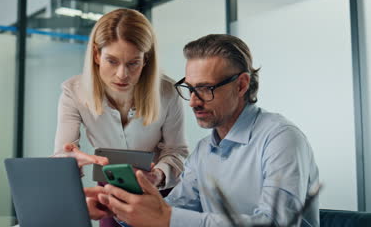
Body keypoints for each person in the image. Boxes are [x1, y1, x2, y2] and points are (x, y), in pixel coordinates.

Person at [86, 34, 320, 227]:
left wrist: (168, 219)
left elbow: (276, 224)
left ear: (241, 85)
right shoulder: (204, 150)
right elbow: (170, 211)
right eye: (190, 88)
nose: (193, 102)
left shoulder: (281, 139)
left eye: (206, 89)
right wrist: (119, 205)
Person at [53, 8, 189, 225]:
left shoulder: (167, 92)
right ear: (97, 55)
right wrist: (70, 162)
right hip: (108, 192)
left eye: (133, 63)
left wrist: (158, 176)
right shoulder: (73, 91)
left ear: (146, 59)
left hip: (158, 194)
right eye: (112, 61)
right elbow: (63, 154)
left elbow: (177, 151)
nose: (122, 74)